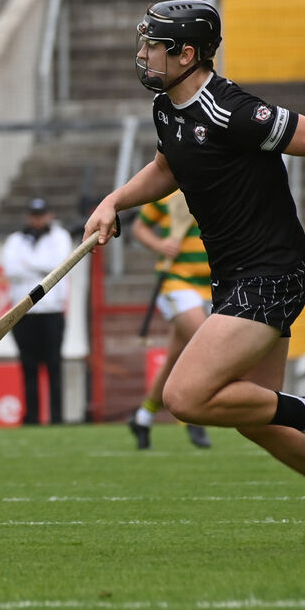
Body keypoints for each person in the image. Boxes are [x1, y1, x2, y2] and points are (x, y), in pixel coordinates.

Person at [84, 0, 305, 551]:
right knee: (257, 417)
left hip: (272, 272)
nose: (143, 55)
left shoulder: (229, 110)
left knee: (185, 398)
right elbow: (169, 167)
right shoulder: (169, 108)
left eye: (153, 46)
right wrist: (117, 200)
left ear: (187, 54)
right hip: (236, 278)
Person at [127, 192, 212, 449]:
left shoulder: (218, 182)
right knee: (205, 341)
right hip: (177, 281)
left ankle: (143, 417)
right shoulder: (167, 193)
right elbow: (139, 227)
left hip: (213, 284)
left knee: (177, 356)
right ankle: (194, 415)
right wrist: (159, 245)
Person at [2, 197, 72, 425]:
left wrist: (28, 264)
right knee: (28, 366)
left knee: (54, 365)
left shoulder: (60, 236)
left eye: (41, 214)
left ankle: (57, 417)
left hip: (52, 311)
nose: (37, 219)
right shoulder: (15, 240)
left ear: (49, 215)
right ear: (27, 216)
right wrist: (41, 267)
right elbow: (11, 269)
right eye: (34, 214)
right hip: (24, 313)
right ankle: (31, 417)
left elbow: (59, 265)